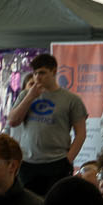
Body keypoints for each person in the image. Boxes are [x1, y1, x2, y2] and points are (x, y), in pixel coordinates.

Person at [9, 52, 88, 192]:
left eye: (42, 73)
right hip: (28, 162)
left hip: (57, 162)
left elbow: (81, 133)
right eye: (35, 73)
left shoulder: (71, 99)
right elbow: (13, 121)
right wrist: (30, 97)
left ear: (54, 71)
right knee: (28, 201)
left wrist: (68, 159)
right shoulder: (25, 95)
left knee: (56, 202)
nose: (37, 77)